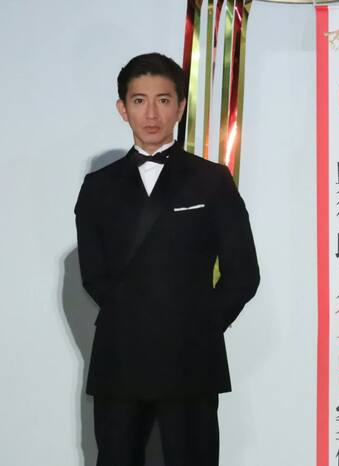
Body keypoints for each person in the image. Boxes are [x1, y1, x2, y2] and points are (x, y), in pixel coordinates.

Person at [74, 52, 260, 466]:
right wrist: (136, 322)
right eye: (139, 100)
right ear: (123, 109)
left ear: (180, 106)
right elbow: (94, 275)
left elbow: (243, 273)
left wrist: (198, 326)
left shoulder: (212, 180)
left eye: (163, 100)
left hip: (190, 358)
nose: (152, 113)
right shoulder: (98, 187)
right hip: (121, 357)